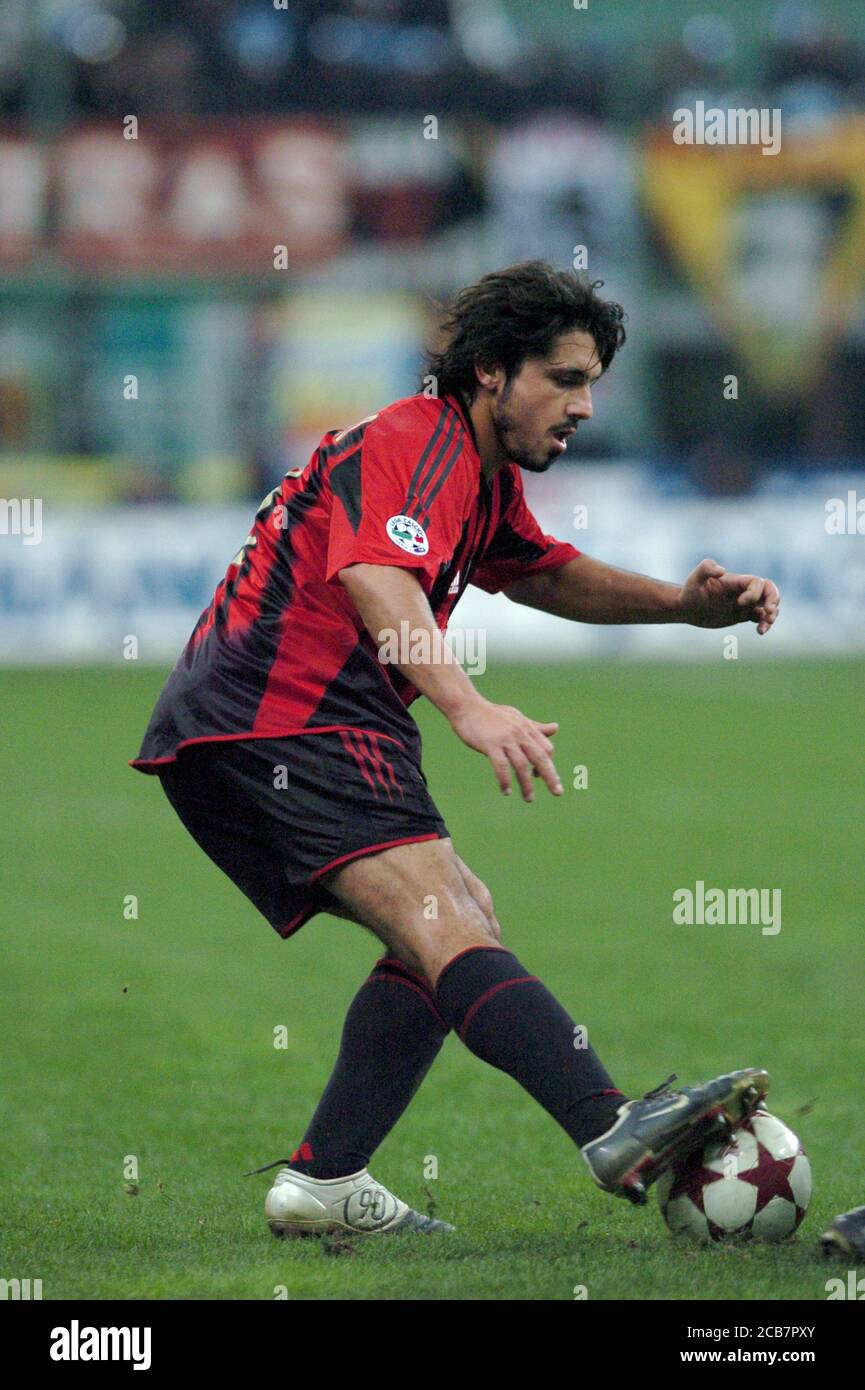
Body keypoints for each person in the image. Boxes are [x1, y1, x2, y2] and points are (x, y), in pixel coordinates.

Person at [131, 261, 780, 1237]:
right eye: (563, 378)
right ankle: (609, 1125)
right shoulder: (416, 440)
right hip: (285, 714)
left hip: (288, 718)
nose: (584, 405)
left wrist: (682, 606)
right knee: (449, 922)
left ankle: (324, 1179)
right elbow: (374, 576)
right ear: (488, 371)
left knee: (455, 918)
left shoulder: (478, 477)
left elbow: (543, 576)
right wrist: (470, 707)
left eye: (591, 382)